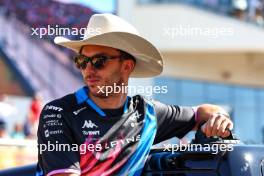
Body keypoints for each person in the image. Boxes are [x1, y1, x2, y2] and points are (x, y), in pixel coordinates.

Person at [36, 13, 233, 176]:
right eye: (82, 61)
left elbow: (202, 112)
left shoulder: (147, 114)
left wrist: (219, 118)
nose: (88, 70)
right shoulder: (58, 112)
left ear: (127, 66)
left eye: (99, 61)